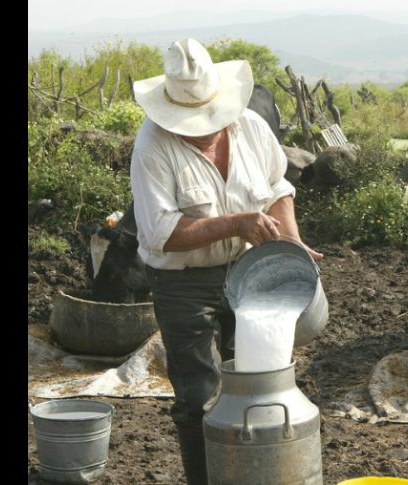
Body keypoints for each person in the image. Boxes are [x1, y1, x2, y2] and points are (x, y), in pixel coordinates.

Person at [130, 38, 323, 485]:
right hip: (183, 283)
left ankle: (256, 476)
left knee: (259, 386)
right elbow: (164, 234)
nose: (203, 127)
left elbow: (277, 187)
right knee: (198, 396)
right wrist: (235, 223)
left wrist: (290, 243)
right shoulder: (152, 148)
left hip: (248, 272)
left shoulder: (250, 125)